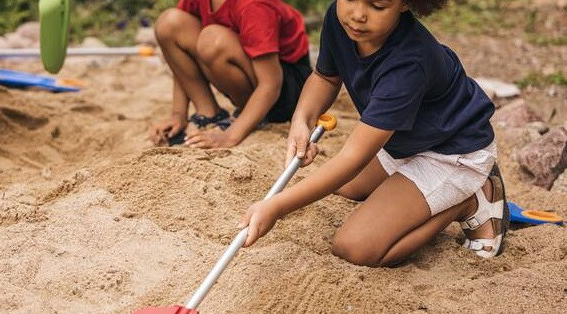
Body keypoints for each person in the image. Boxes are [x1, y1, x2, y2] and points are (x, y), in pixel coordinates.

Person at [239, 0, 509, 266]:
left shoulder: (408, 64)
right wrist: (301, 120)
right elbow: (326, 77)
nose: (357, 15)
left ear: (405, 4)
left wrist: (275, 206)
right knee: (346, 186)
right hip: (405, 141)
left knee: (355, 247)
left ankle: (467, 200)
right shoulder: (340, 19)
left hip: (453, 151)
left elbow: (352, 158)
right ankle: (436, 192)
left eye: (377, 6)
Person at [149, 0, 312, 148]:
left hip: (288, 91)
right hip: (254, 73)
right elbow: (182, 57)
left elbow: (271, 84)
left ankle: (253, 118)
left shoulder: (253, 6)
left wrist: (230, 136)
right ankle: (209, 115)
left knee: (212, 39)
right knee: (170, 23)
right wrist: (178, 114)